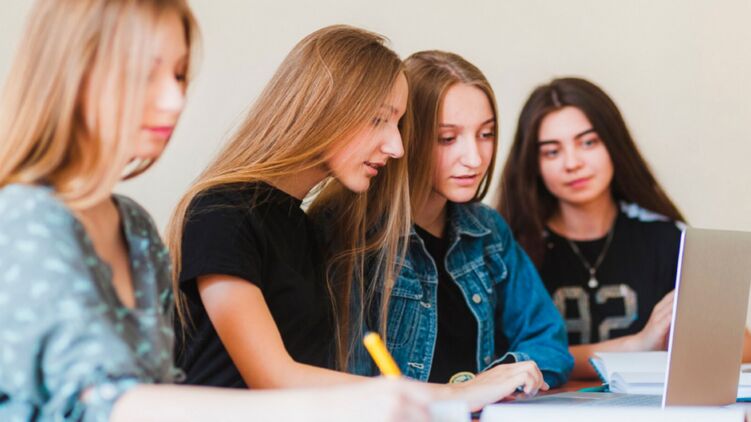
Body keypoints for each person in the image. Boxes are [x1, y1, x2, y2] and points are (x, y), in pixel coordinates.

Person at [0, 2, 432, 420]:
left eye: (179, 75)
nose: (175, 99)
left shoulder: (135, 228)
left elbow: (162, 388)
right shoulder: (23, 221)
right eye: (147, 72)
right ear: (73, 74)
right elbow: (105, 405)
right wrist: (367, 402)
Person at [169, 27, 546, 409]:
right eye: (379, 120)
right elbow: (273, 378)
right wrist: (459, 393)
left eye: (398, 124)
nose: (397, 147)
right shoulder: (221, 214)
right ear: (323, 110)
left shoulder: (301, 225)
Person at [497, 77, 751, 379]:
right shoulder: (511, 247)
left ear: (613, 144)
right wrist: (638, 345)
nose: (572, 163)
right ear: (533, 163)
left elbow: (742, 346)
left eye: (588, 142)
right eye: (552, 151)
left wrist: (691, 339)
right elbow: (505, 360)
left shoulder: (666, 238)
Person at [347, 50, 572, 387]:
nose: (475, 159)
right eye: (448, 138)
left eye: (486, 134)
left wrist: (509, 373)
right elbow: (346, 376)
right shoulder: (356, 236)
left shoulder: (488, 231)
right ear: (404, 135)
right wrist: (468, 392)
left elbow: (550, 343)